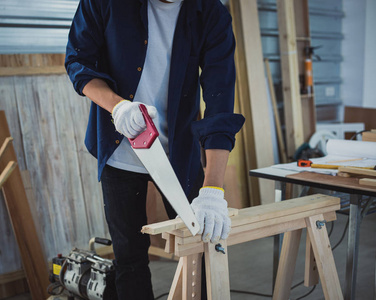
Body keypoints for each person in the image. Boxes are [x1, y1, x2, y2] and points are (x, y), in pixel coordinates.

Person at [65, 0, 245, 298]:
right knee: (130, 259)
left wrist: (213, 190)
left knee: (202, 249)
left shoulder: (210, 12)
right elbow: (78, 61)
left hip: (179, 153)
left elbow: (220, 101)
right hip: (119, 148)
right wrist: (118, 106)